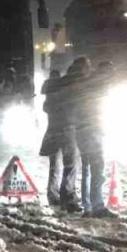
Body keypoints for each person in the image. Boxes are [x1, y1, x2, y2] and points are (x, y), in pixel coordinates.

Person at [67, 57, 114, 218]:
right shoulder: (89, 84)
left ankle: (88, 207)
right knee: (97, 168)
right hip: (90, 130)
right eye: (88, 66)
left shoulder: (75, 84)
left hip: (83, 130)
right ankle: (97, 206)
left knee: (87, 169)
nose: (90, 68)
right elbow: (93, 106)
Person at [40, 68, 79, 210]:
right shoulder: (67, 93)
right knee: (70, 165)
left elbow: (47, 108)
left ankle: (52, 195)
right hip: (66, 131)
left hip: (52, 132)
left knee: (54, 166)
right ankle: (67, 197)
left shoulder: (50, 95)